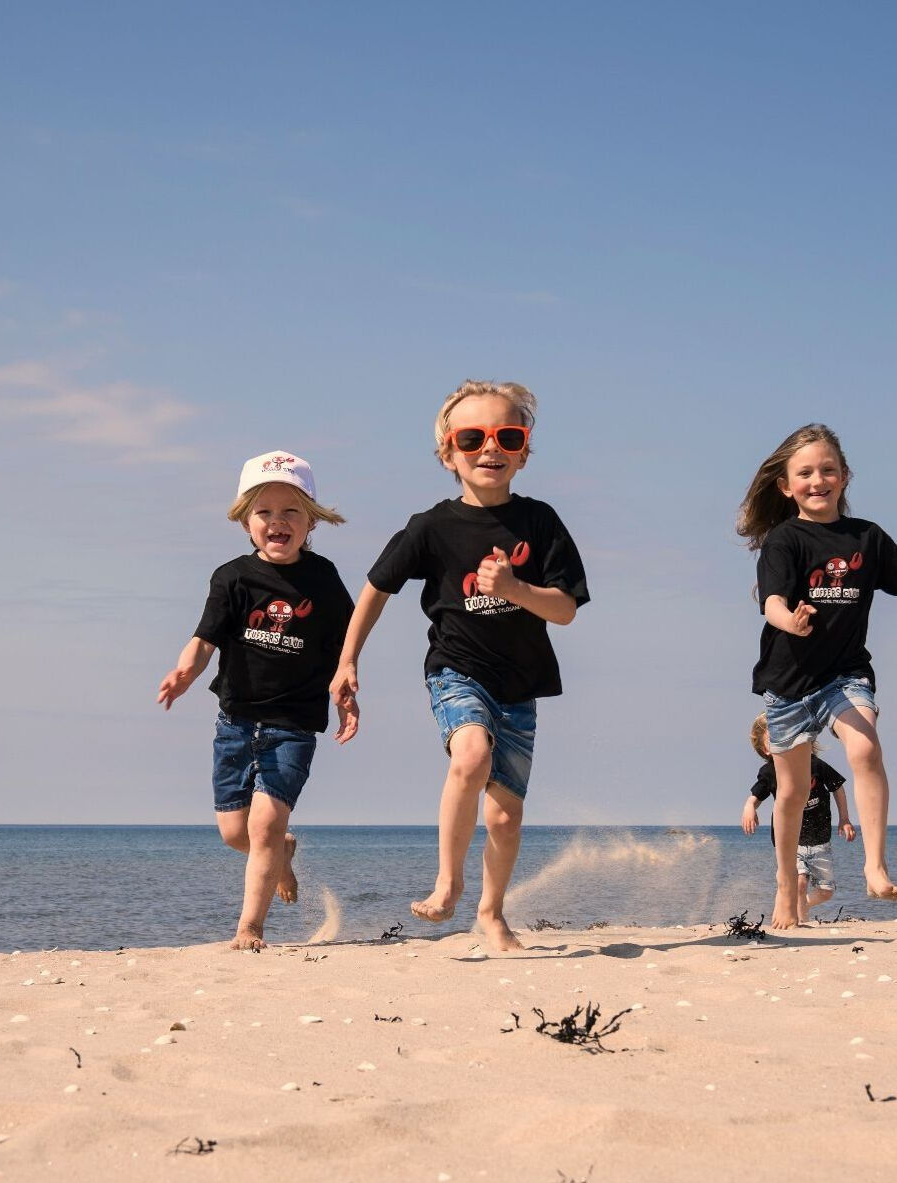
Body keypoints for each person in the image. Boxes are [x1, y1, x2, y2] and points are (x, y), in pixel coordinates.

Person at [331, 380, 590, 954]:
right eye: (472, 437)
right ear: (449, 453)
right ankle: (449, 879)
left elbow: (566, 610)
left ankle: (491, 914)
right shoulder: (431, 526)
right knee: (470, 756)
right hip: (456, 670)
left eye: (507, 436)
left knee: (504, 820)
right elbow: (375, 588)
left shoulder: (541, 523)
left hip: (520, 685)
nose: (489, 448)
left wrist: (518, 588)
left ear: (524, 451)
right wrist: (348, 661)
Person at [738, 423, 897, 927]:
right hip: (790, 682)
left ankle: (875, 867)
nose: (817, 480)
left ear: (845, 477)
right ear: (785, 485)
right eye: (805, 473)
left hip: (844, 673)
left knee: (865, 747)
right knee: (793, 792)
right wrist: (790, 621)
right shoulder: (785, 539)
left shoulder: (867, 537)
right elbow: (772, 603)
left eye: (827, 470)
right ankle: (784, 888)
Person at [157, 451, 354, 950]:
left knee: (264, 826)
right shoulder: (232, 578)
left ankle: (250, 928)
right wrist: (184, 671)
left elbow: (345, 645)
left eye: (291, 511)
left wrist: (347, 690)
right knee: (234, 832)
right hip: (236, 722)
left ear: (312, 520)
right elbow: (204, 640)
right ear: (246, 520)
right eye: (264, 511)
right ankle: (281, 856)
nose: (277, 522)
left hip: (293, 724)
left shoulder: (325, 580)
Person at [741, 715, 855, 910]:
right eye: (775, 740)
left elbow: (838, 787)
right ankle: (797, 921)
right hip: (790, 841)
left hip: (820, 841)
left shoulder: (815, 765)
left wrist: (844, 818)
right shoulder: (770, 771)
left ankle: (802, 907)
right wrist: (749, 807)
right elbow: (757, 794)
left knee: (826, 892)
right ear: (766, 749)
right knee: (799, 882)